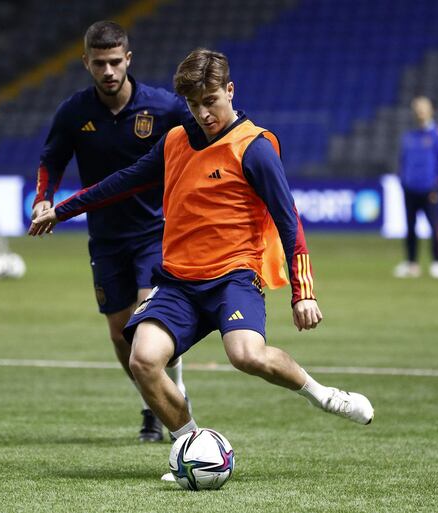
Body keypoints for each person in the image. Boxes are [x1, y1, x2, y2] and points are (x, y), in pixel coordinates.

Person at [30, 48, 374, 471]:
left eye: (211, 101)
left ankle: (322, 395)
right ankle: (193, 449)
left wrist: (304, 293)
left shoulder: (255, 147)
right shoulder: (175, 140)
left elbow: (290, 223)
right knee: (142, 359)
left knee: (246, 355)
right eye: (194, 104)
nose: (204, 113)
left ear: (230, 91)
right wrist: (59, 210)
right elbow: (122, 182)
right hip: (178, 283)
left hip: (233, 278)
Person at [31, 21, 193, 442]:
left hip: (156, 234)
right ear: (86, 62)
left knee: (147, 322)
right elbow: (51, 159)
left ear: (129, 60)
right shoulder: (74, 112)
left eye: (115, 62)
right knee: (121, 335)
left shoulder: (164, 108)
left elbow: (201, 136)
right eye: (99, 63)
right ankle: (152, 401)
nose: (108, 71)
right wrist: (42, 198)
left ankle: (175, 399)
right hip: (105, 239)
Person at [394, 96, 438, 279]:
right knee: (410, 228)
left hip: (430, 190)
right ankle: (412, 263)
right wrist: (403, 181)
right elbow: (402, 162)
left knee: (435, 226)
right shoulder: (408, 136)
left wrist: (437, 185)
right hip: (410, 189)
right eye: (416, 108)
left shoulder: (437, 135)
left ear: (431, 110)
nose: (419, 112)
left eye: (423, 108)